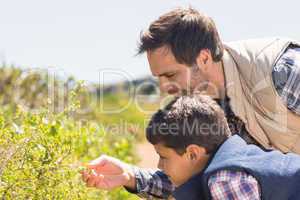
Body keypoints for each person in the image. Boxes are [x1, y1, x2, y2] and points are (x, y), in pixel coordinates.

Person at [82, 7, 300, 199]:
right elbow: (195, 175)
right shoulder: (207, 109)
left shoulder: (283, 71)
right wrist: (129, 176)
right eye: (158, 77)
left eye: (170, 75)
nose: (164, 88)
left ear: (204, 59)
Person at [82, 95, 300, 199]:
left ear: (193, 153)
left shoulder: (225, 178)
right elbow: (181, 185)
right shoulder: (221, 161)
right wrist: (127, 175)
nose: (159, 164)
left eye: (163, 157)